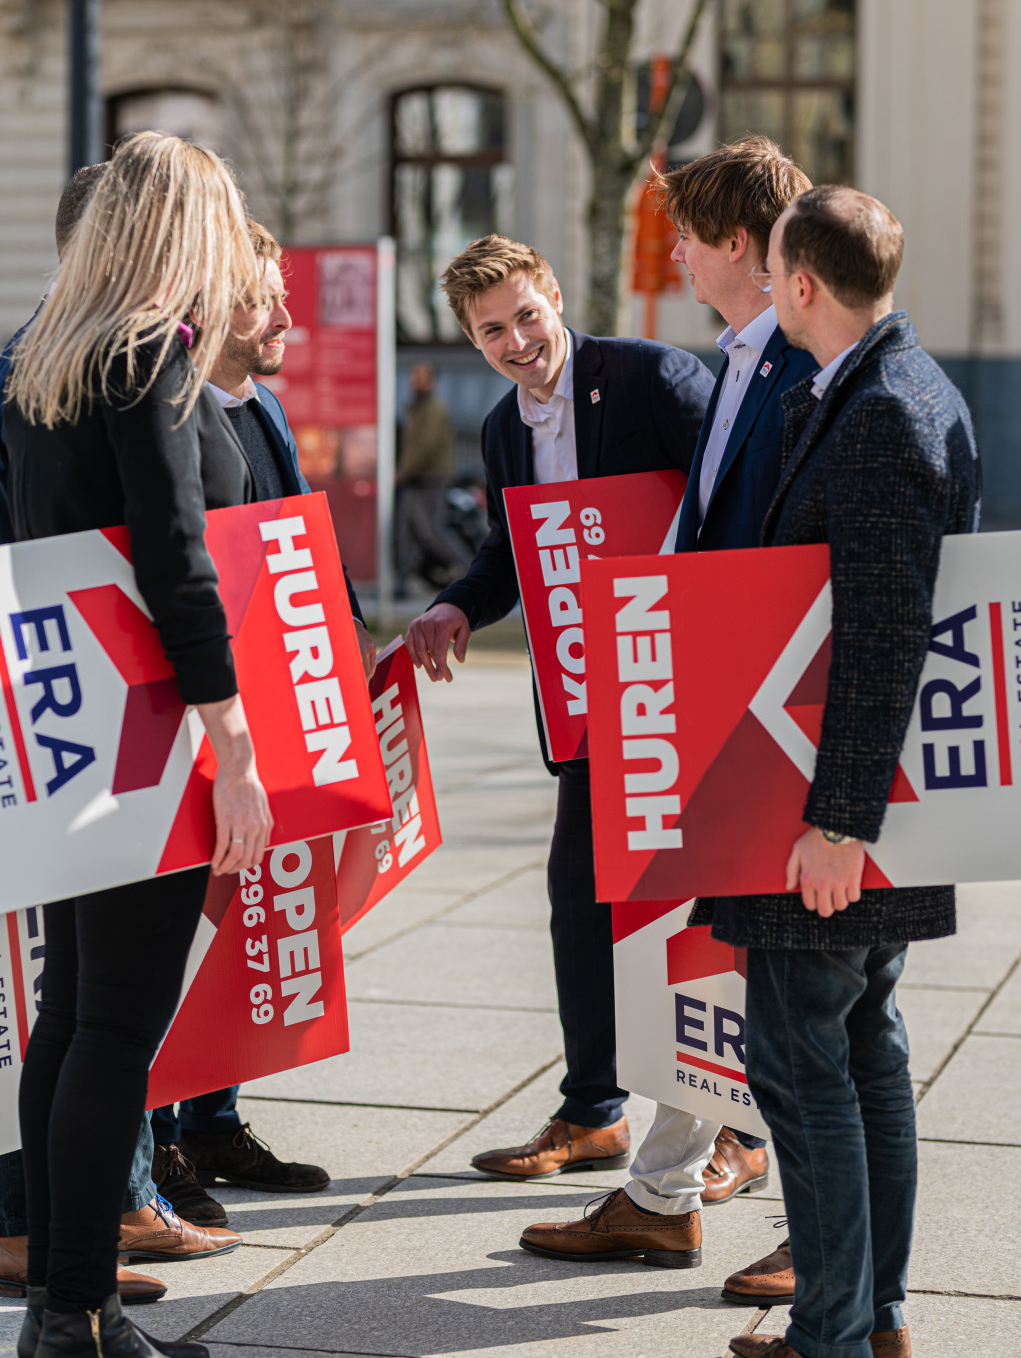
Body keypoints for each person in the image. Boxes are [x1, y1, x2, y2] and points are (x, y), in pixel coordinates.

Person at [518, 137, 818, 1269]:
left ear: (738, 244)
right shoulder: (744, 357)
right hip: (707, 700)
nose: (676, 254)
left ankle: (816, 1235)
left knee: (793, 993)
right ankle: (659, 1189)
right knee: (706, 961)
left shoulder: (791, 364)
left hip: (758, 715)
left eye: (687, 235)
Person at [5, 131, 273, 1358]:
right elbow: (175, 557)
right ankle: (75, 1312)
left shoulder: (43, 355)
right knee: (116, 1024)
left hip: (68, 718)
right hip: (151, 725)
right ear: (186, 228)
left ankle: (75, 1305)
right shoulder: (152, 356)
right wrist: (237, 743)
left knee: (70, 1018)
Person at [720, 187, 981, 1358]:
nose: (768, 293)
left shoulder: (879, 411)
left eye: (774, 274)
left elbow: (886, 632)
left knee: (803, 1069)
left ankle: (830, 1334)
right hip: (855, 804)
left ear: (803, 287)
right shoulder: (894, 386)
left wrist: (837, 823)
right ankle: (870, 1317)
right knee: (865, 1053)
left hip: (831, 810)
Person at [406, 234, 714, 1182]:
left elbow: (734, 495)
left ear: (555, 293)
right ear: (471, 337)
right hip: (589, 696)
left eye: (526, 315)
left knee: (704, 899)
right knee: (579, 896)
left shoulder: (654, 376)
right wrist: (458, 601)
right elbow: (513, 551)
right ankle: (593, 1110)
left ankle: (734, 1122)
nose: (516, 340)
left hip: (689, 678)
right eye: (491, 330)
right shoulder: (503, 430)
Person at [148, 219, 369, 1225]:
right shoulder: (177, 408)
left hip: (279, 696)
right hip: (204, 707)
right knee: (185, 927)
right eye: (263, 300)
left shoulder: (261, 409)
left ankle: (212, 1120)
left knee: (255, 921)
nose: (286, 317)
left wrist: (351, 638)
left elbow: (300, 535)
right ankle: (157, 1142)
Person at [394, 363, 468, 594]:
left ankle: (471, 571)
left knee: (430, 531)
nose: (415, 380)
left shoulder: (434, 409)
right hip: (416, 478)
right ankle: (402, 584)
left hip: (430, 478)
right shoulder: (415, 407)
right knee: (405, 531)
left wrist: (402, 471)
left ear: (432, 381)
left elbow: (423, 446)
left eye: (421, 376)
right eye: (413, 375)